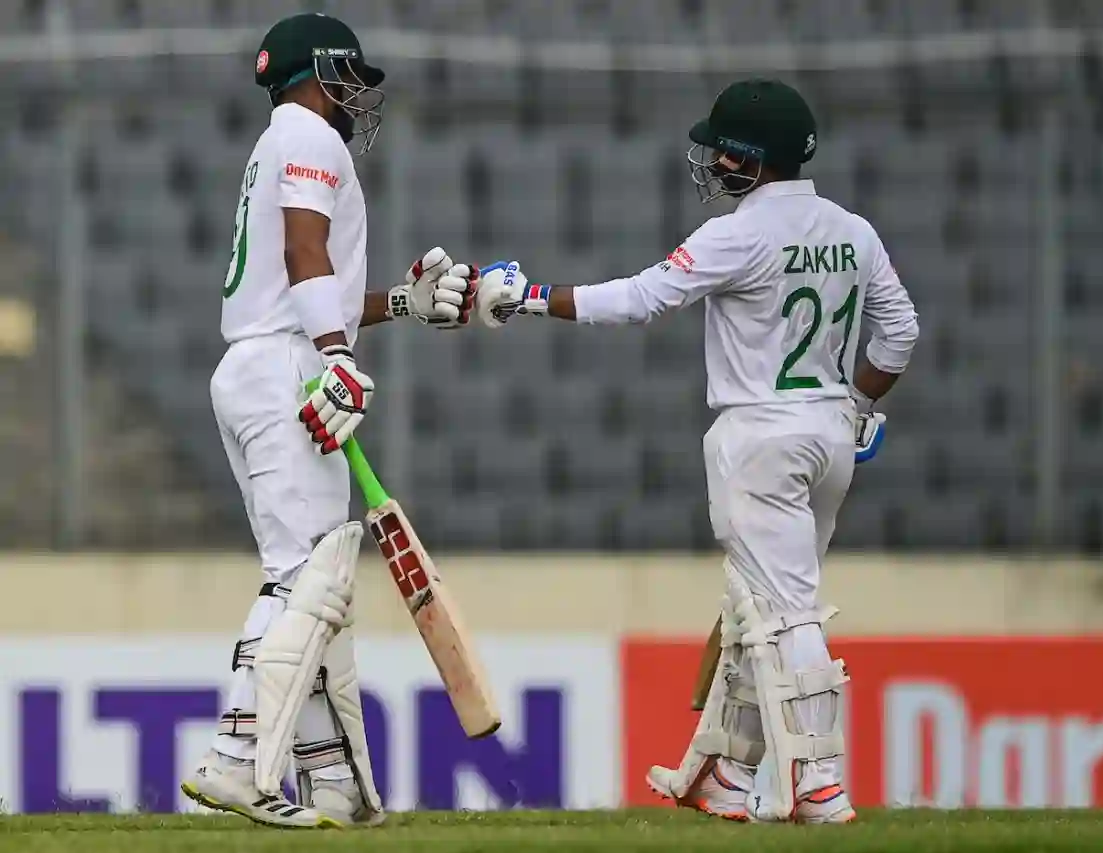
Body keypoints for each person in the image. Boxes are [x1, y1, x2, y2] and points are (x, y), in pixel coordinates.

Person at [476, 78, 918, 824]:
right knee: (755, 610)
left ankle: (820, 783)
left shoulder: (738, 233)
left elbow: (640, 299)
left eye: (722, 150)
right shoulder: (855, 230)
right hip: (829, 436)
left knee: (785, 613)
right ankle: (724, 776)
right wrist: (858, 404)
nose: (712, 160)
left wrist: (528, 293)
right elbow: (899, 332)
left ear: (753, 159)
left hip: (758, 440)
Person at [180, 12, 475, 828]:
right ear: (315, 74)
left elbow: (309, 283)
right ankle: (237, 757)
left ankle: (337, 781)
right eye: (348, 75)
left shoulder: (280, 140)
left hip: (260, 365)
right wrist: (340, 357)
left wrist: (400, 305)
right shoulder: (311, 134)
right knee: (304, 583)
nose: (357, 94)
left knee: (313, 582)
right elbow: (308, 252)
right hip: (286, 370)